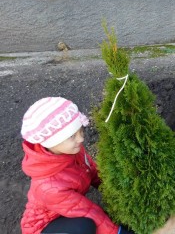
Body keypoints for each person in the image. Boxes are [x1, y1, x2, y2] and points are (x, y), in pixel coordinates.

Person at [20, 97, 134, 234]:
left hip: (66, 210)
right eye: (72, 136)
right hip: (44, 226)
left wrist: (118, 189)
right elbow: (88, 212)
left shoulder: (72, 149)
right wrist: (119, 232)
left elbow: (93, 172)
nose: (81, 138)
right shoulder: (49, 187)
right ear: (51, 142)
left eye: (80, 131)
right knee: (84, 227)